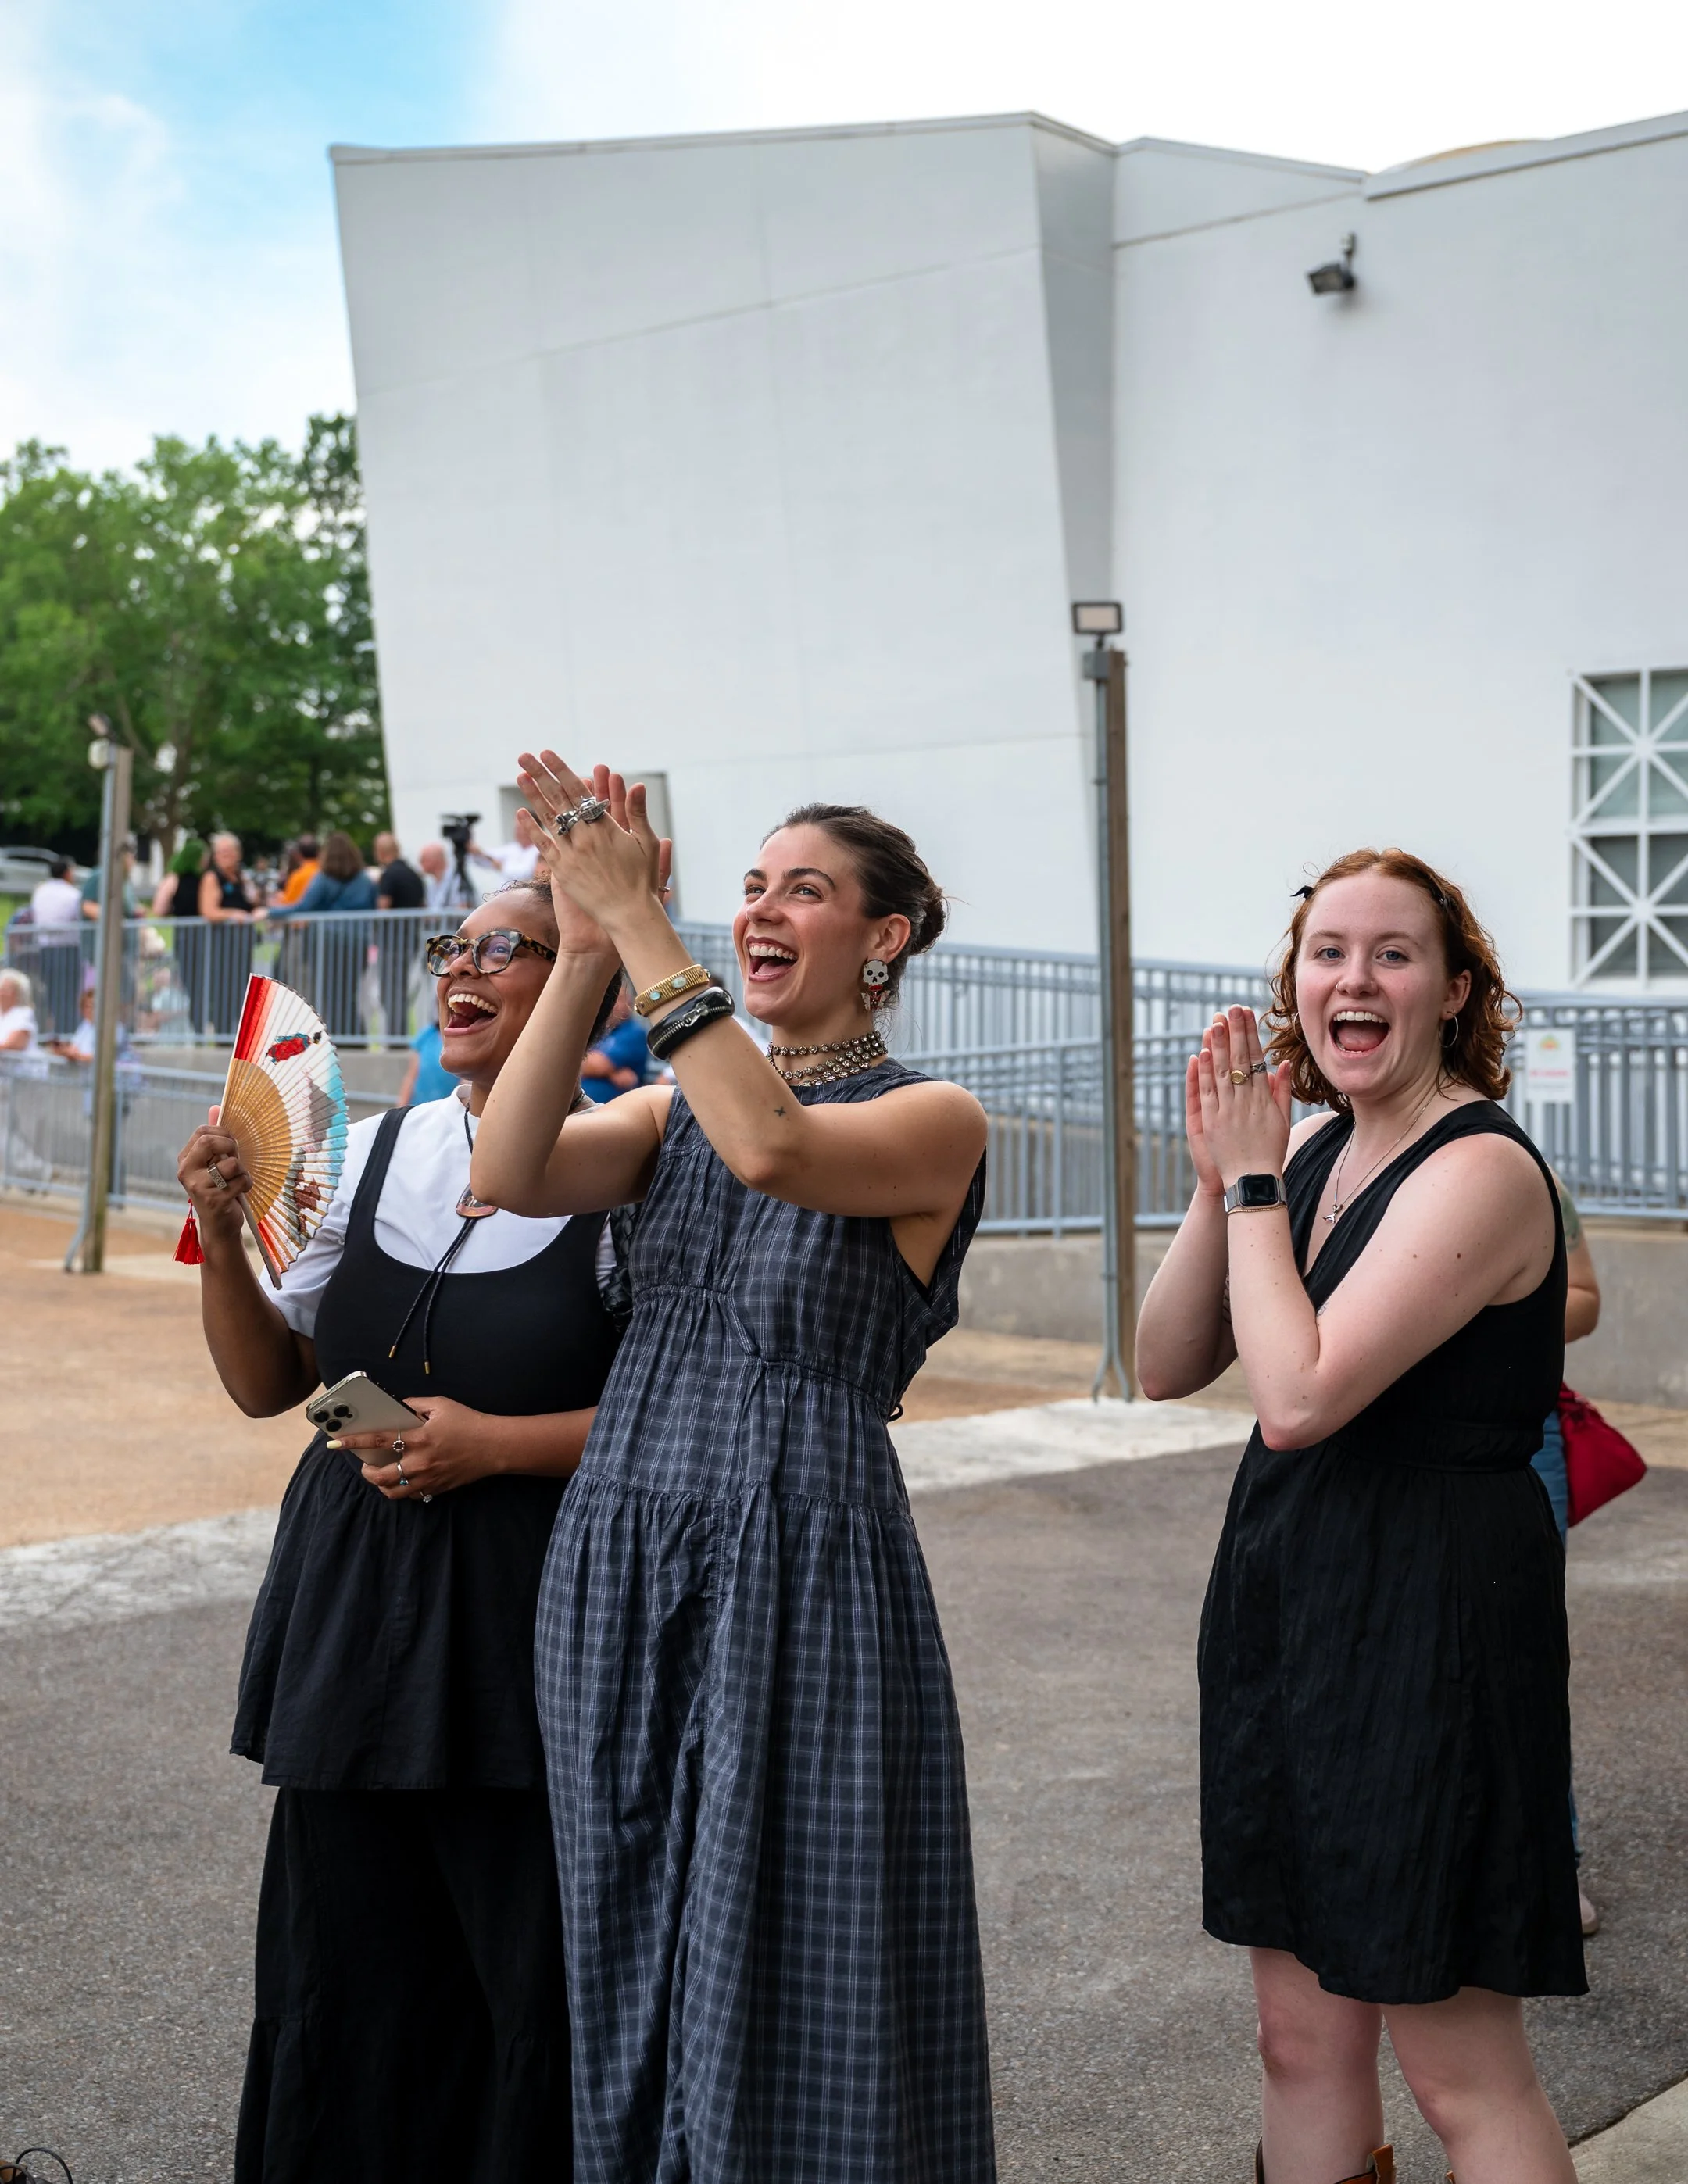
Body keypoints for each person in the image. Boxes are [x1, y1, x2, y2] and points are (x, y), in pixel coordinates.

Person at [472, 760, 995, 2184]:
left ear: (884, 940)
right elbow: (510, 1172)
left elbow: (773, 1147)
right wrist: (583, 951)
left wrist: (651, 928)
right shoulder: (662, 1112)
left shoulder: (935, 1118)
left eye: (804, 891)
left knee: (804, 1939)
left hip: (802, 1556)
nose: (764, 909)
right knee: (629, 1932)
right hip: (621, 1548)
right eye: (751, 885)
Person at [174, 883, 630, 2184]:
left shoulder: (634, 1165)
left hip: (533, 1612)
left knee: (526, 1982)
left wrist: (498, 1442)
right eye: (453, 948)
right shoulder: (364, 1153)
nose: (462, 970)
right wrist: (218, 1230)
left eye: (508, 948)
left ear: (586, 980)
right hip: (357, 1607)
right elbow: (275, 1385)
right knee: (346, 1976)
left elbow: (682, 1417)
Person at [1137, 848, 1579, 2184]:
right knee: (1298, 2036)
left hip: (1432, 1613)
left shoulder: (1483, 1167)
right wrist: (1222, 1180)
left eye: (1394, 953)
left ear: (1454, 991)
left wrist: (1257, 1185)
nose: (1356, 977)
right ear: (1297, 981)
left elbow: (1300, 1396)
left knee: (1458, 2067)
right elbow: (1163, 1364)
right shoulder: (1307, 1142)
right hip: (1292, 1596)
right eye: (1330, 951)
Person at [1531, 1180, 1603, 1939]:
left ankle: (1558, 1858)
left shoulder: (1532, 1177)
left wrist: (1497, 1298)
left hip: (1526, 1432)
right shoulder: (1338, 1165)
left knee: (1528, 1652)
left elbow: (1586, 1296)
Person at [292, 831, 376, 1041]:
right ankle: (356, 1040)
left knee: (329, 995)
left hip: (326, 943)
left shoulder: (323, 879)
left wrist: (270, 912)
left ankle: (335, 1041)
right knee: (350, 995)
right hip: (357, 942)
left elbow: (305, 906)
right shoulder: (365, 881)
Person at [199, 832, 264, 1037]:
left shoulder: (242, 878)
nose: (224, 856)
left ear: (238, 853)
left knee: (243, 993)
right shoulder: (212, 877)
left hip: (243, 945)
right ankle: (222, 1037)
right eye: (220, 852)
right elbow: (209, 911)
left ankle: (240, 1040)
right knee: (223, 992)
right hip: (222, 945)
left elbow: (252, 904)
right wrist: (233, 914)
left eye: (228, 851)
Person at [151, 838, 211, 1036]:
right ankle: (201, 1027)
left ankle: (197, 1030)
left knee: (191, 984)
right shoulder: (206, 879)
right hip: (204, 937)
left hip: (185, 937)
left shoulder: (174, 879)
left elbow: (159, 909)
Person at [374, 831, 426, 1046]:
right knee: (401, 991)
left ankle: (395, 1039)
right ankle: (400, 1036)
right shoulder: (414, 874)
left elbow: (383, 907)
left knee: (390, 993)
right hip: (410, 940)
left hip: (392, 942)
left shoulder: (389, 874)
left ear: (381, 852)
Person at [30, 854, 84, 1037]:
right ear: (68, 873)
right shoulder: (73, 894)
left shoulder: (40, 891)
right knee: (68, 993)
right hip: (67, 948)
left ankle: (58, 1030)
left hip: (45, 949)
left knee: (53, 992)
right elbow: (78, 918)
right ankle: (67, 1031)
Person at [578, 981, 649, 1101]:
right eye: (609, 999)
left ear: (629, 1003)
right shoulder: (596, 1031)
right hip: (579, 1109)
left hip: (612, 1110)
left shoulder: (634, 1032)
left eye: (618, 999)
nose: (612, 1004)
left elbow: (599, 1064)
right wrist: (612, 1073)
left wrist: (576, 1064)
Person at [397, 1017, 457, 1106]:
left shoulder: (461, 1038)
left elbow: (466, 1082)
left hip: (448, 1110)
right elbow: (411, 1076)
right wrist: (400, 1111)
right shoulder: (427, 1035)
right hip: (419, 1107)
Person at [418, 840, 469, 917]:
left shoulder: (456, 879)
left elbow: (462, 908)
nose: (420, 863)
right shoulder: (432, 884)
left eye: (423, 859)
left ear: (435, 860)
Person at [277, 834, 321, 907]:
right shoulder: (327, 873)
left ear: (298, 855)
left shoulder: (297, 877)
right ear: (318, 853)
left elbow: (287, 904)